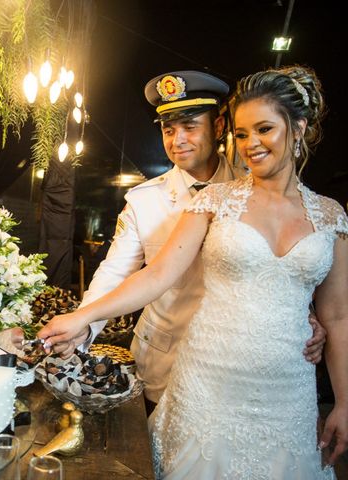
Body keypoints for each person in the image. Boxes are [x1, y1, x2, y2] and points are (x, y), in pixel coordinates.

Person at [39, 65, 348, 477]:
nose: (252, 143)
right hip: (195, 372)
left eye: (264, 130)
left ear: (297, 128)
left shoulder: (329, 216)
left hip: (286, 388)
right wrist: (82, 319)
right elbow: (147, 274)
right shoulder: (201, 200)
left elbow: (338, 313)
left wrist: (341, 395)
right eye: (244, 134)